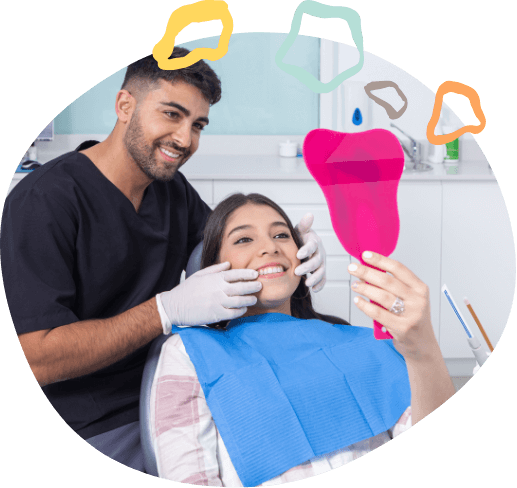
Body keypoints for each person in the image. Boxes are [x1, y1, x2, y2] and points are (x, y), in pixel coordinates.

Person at [1, 50, 329, 474]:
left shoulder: (170, 190)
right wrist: (164, 312)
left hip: (180, 376)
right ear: (125, 106)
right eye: (171, 115)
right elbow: (36, 358)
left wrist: (290, 250)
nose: (184, 139)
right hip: (99, 417)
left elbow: (228, 250)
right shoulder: (43, 203)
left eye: (197, 125)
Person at [151, 192, 456, 486]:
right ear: (212, 268)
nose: (270, 247)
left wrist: (422, 349)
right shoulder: (190, 353)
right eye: (244, 239)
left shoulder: (363, 343)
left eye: (282, 235)